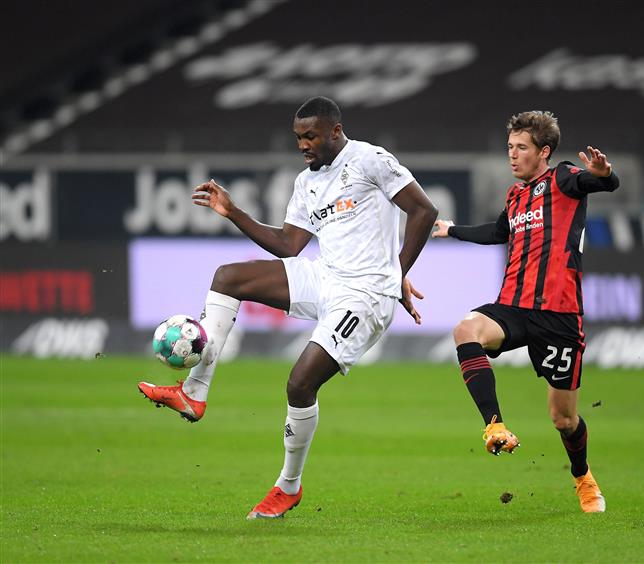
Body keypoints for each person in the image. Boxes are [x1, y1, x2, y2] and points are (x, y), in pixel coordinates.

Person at [138, 96, 438, 519]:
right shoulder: (308, 182)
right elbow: (288, 245)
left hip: (365, 296)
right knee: (228, 277)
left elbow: (424, 211)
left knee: (299, 384)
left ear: (335, 130)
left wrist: (394, 273)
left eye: (310, 135)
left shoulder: (370, 160)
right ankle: (194, 393)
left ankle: (288, 486)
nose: (303, 144)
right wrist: (233, 212)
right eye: (298, 137)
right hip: (326, 277)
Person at [431, 110, 619, 513]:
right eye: (509, 148)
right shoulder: (515, 197)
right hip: (513, 308)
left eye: (521, 148)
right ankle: (494, 425)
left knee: (563, 419)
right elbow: (499, 233)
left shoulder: (565, 178)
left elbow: (600, 182)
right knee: (466, 330)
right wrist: (452, 230)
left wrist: (605, 174)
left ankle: (583, 477)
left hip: (559, 316)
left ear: (544, 151)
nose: (512, 156)